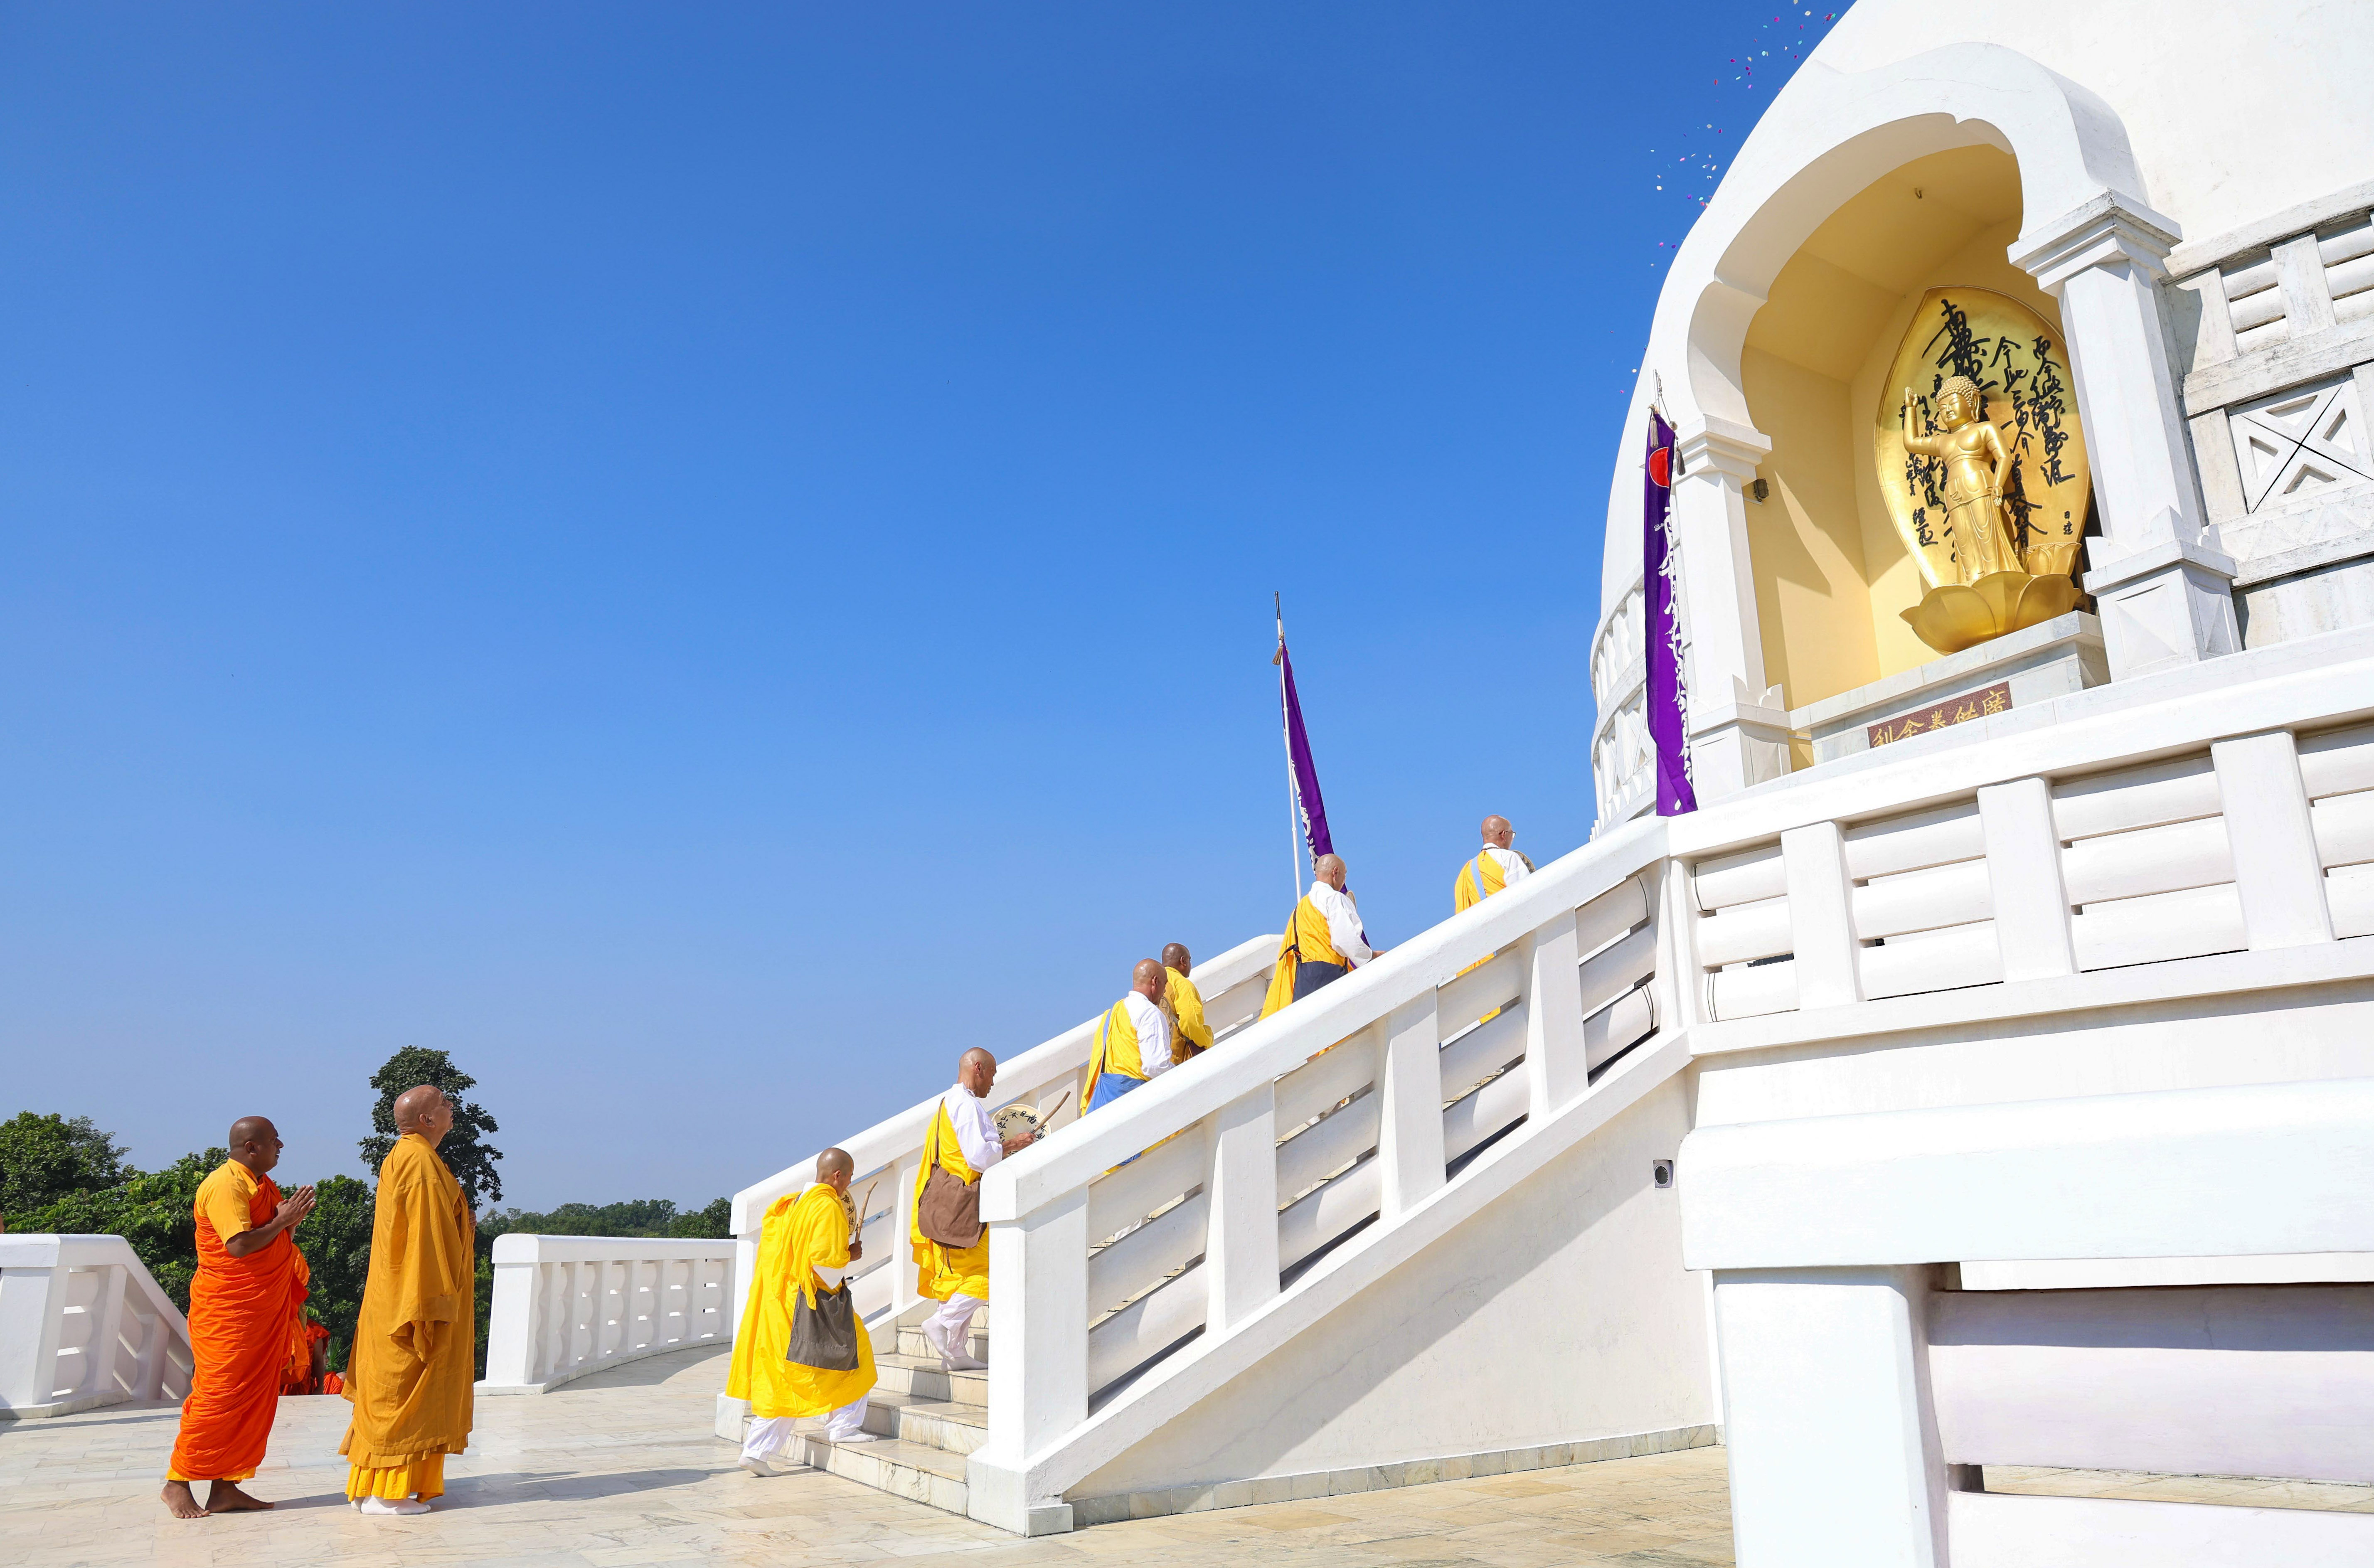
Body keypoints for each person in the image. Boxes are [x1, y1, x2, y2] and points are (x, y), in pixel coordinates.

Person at [160, 1117, 316, 1520]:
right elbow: (239, 1245)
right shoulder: (226, 1184)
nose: (280, 1145)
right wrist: (282, 1220)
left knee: (251, 1400)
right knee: (219, 1395)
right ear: (251, 1146)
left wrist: (289, 1223)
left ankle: (224, 1487)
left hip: (258, 1310)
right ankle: (177, 1482)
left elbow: (274, 1241)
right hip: (228, 1310)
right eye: (273, 1140)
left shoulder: (262, 1185)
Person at [340, 1085, 475, 1516]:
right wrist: (430, 1308)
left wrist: (462, 1223)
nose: (451, 1108)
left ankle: (373, 1488)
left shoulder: (407, 1155)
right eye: (443, 1104)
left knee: (392, 1396)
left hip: (391, 1297)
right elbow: (424, 1243)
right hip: (411, 1301)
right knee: (404, 1395)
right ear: (427, 1120)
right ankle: (389, 1494)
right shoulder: (419, 1162)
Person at [729, 1146, 879, 1475]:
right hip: (811, 1303)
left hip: (783, 1301)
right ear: (837, 1175)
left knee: (791, 1377)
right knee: (857, 1353)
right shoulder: (826, 1205)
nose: (849, 1184)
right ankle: (843, 1425)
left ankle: (757, 1449)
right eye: (849, 1176)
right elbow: (825, 1266)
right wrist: (850, 1255)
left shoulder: (796, 1202)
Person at [909, 1049, 1034, 1371]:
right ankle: (942, 1322)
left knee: (959, 1278)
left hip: (947, 1205)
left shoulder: (948, 1103)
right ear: (977, 1068)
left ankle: (955, 1352)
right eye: (991, 1074)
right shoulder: (965, 1105)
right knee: (989, 1276)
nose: (993, 1082)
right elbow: (979, 1157)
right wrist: (1012, 1144)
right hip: (965, 1206)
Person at [1259, 854, 1380, 1017]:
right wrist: (1371, 956)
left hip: (1303, 978)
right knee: (1334, 1027)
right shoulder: (1334, 898)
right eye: (1345, 875)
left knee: (1307, 1027)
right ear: (1335, 873)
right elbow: (1345, 940)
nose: (1344, 881)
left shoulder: (1301, 906)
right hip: (1329, 973)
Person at [1084, 960, 1176, 1112]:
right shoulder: (1149, 1013)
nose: (1165, 991)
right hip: (1131, 1101)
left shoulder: (1112, 1012)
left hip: (1104, 1099)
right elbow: (1155, 1066)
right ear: (1155, 981)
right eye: (1165, 984)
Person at [1454, 816, 1535, 912]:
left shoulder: (1466, 870)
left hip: (1479, 925)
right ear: (1504, 835)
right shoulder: (1508, 857)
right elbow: (1525, 893)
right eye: (1512, 834)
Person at [1161, 943, 1213, 1062]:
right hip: (1177, 1060)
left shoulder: (1154, 982)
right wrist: (1207, 1039)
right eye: (1190, 960)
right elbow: (1190, 1023)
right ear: (1183, 961)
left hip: (1152, 1062)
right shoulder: (1181, 984)